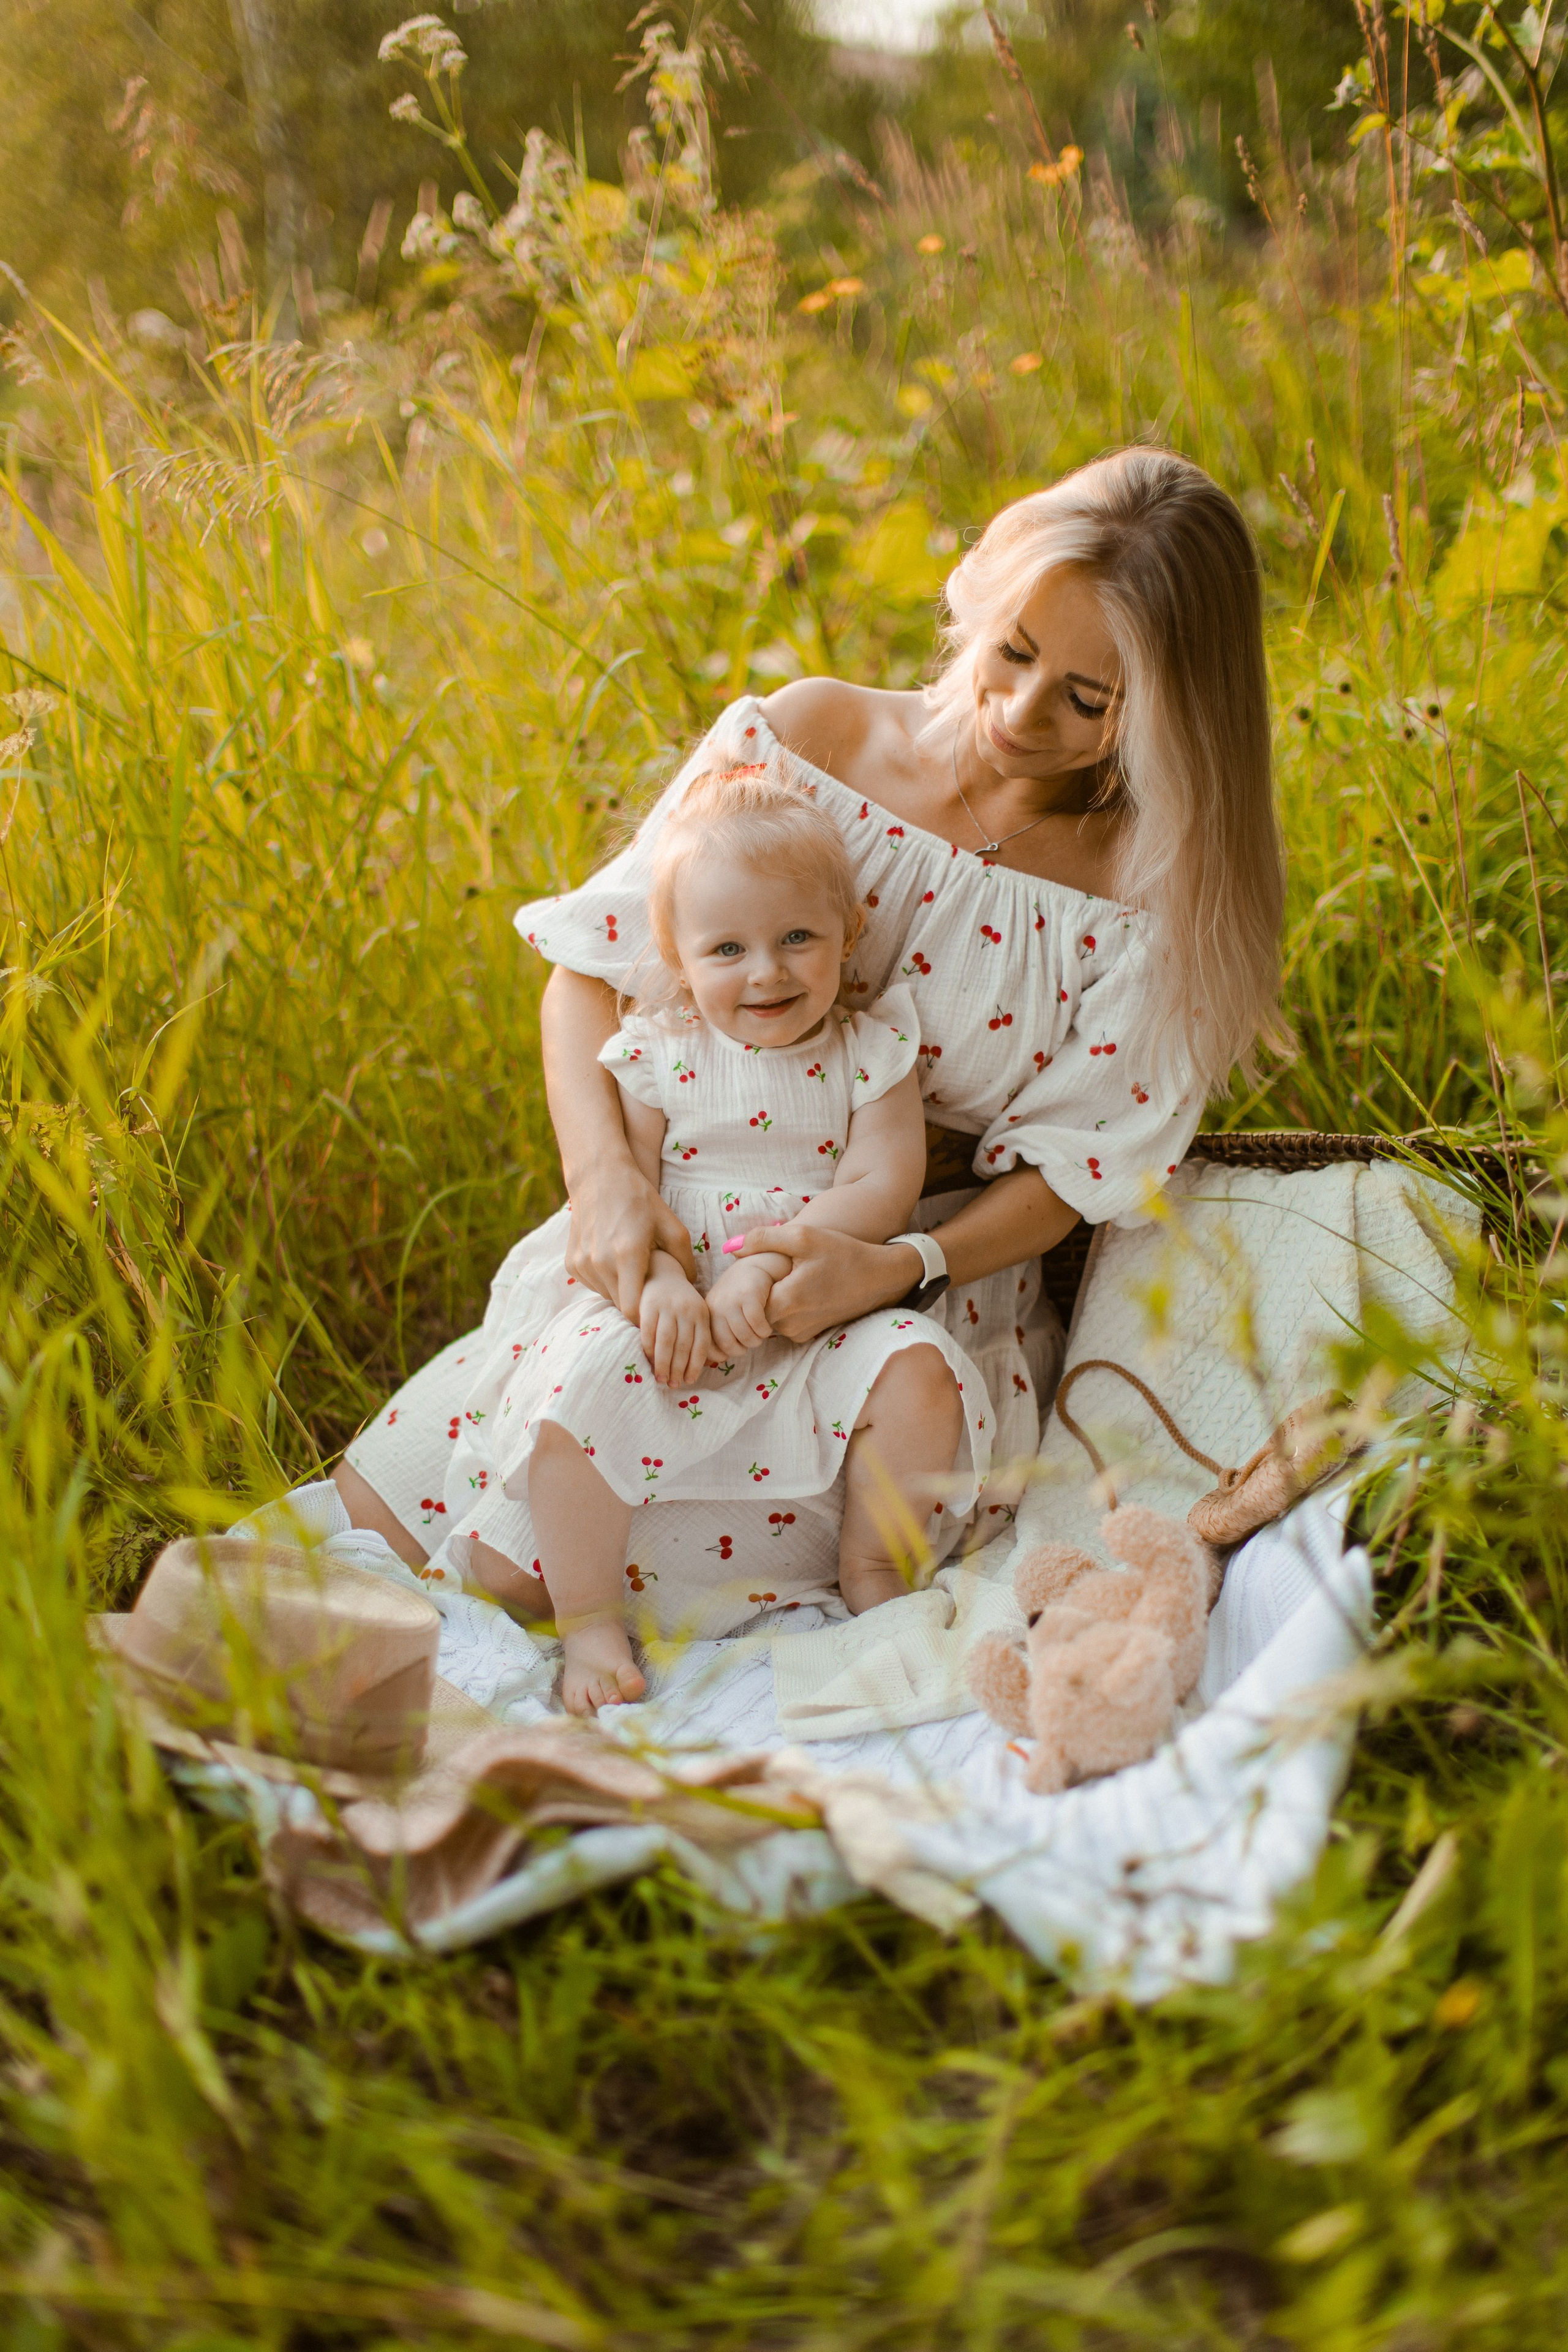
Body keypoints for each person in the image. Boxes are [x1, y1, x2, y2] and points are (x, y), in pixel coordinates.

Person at [334, 447, 1287, 1663]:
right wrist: (609, 1188)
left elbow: (1065, 1180)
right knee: (374, 1543)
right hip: (670, 1257)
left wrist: (893, 1264)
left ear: (1169, 712)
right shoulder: (811, 740)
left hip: (901, 1325)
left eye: (1086, 702)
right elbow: (590, 970)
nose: (1016, 714)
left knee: (708, 1600)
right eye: (1011, 650)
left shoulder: (1145, 897)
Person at [466, 762, 990, 1712]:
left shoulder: (871, 1049)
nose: (768, 971)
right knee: (580, 1384)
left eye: (798, 937)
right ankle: (588, 1625)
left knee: (919, 1370)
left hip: (819, 1299)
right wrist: (661, 1285)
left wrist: (783, 1257)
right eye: (728, 949)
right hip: (678, 1303)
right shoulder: (655, 1053)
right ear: (675, 953)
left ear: (848, 934)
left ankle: (874, 1572)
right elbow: (632, 1192)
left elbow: (883, 1184)